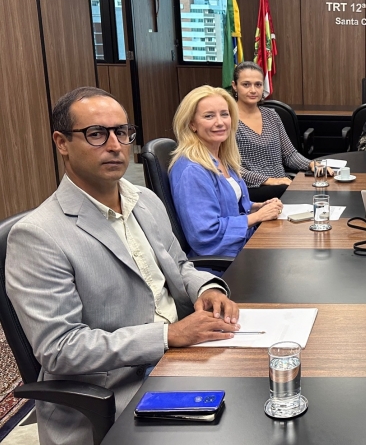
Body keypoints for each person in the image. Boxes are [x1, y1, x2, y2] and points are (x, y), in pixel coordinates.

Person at [5, 87, 242, 445]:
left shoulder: (144, 200)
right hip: (119, 388)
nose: (115, 145)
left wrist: (206, 288)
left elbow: (179, 264)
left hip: (180, 358)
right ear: (62, 142)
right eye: (96, 134)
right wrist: (167, 336)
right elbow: (60, 348)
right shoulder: (37, 235)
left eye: (122, 132)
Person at [169, 85, 283, 258]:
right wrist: (257, 217)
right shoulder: (192, 170)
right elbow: (205, 235)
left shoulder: (222, 158)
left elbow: (229, 206)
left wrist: (257, 207)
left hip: (245, 246)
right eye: (209, 116)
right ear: (192, 124)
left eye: (224, 114)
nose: (220, 122)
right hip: (226, 262)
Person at [232, 62, 326, 201]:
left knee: (323, 187)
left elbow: (289, 154)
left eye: (258, 85)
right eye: (246, 84)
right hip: (250, 189)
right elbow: (231, 168)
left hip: (281, 184)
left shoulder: (271, 115)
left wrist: (312, 164)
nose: (253, 90)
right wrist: (269, 180)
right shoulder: (227, 119)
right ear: (235, 86)